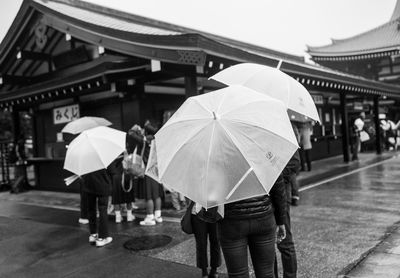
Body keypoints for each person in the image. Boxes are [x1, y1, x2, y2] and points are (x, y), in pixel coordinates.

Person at [218, 175, 287, 277]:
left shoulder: (217, 160)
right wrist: (281, 221)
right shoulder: (262, 158)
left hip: (232, 222)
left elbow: (211, 193)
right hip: (263, 217)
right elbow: (278, 188)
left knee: (238, 274)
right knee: (266, 273)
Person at [274, 150, 300, 278]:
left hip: (281, 193)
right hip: (263, 198)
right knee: (266, 245)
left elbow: (294, 163)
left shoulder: (281, 132)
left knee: (285, 241)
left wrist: (275, 177)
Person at [81, 168, 113, 247]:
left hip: (88, 184)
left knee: (91, 209)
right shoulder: (103, 157)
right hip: (103, 184)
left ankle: (93, 234)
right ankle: (102, 238)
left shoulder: (86, 157)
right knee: (102, 210)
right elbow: (112, 171)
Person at [190, 200, 221, 278]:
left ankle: (214, 269)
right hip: (198, 212)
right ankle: (204, 271)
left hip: (215, 210)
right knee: (201, 243)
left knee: (215, 241)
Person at [109, 153, 136, 223]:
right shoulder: (123, 151)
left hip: (115, 177)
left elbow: (110, 169)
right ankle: (129, 216)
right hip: (125, 176)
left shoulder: (109, 154)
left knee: (116, 197)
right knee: (128, 197)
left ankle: (118, 217)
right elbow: (129, 165)